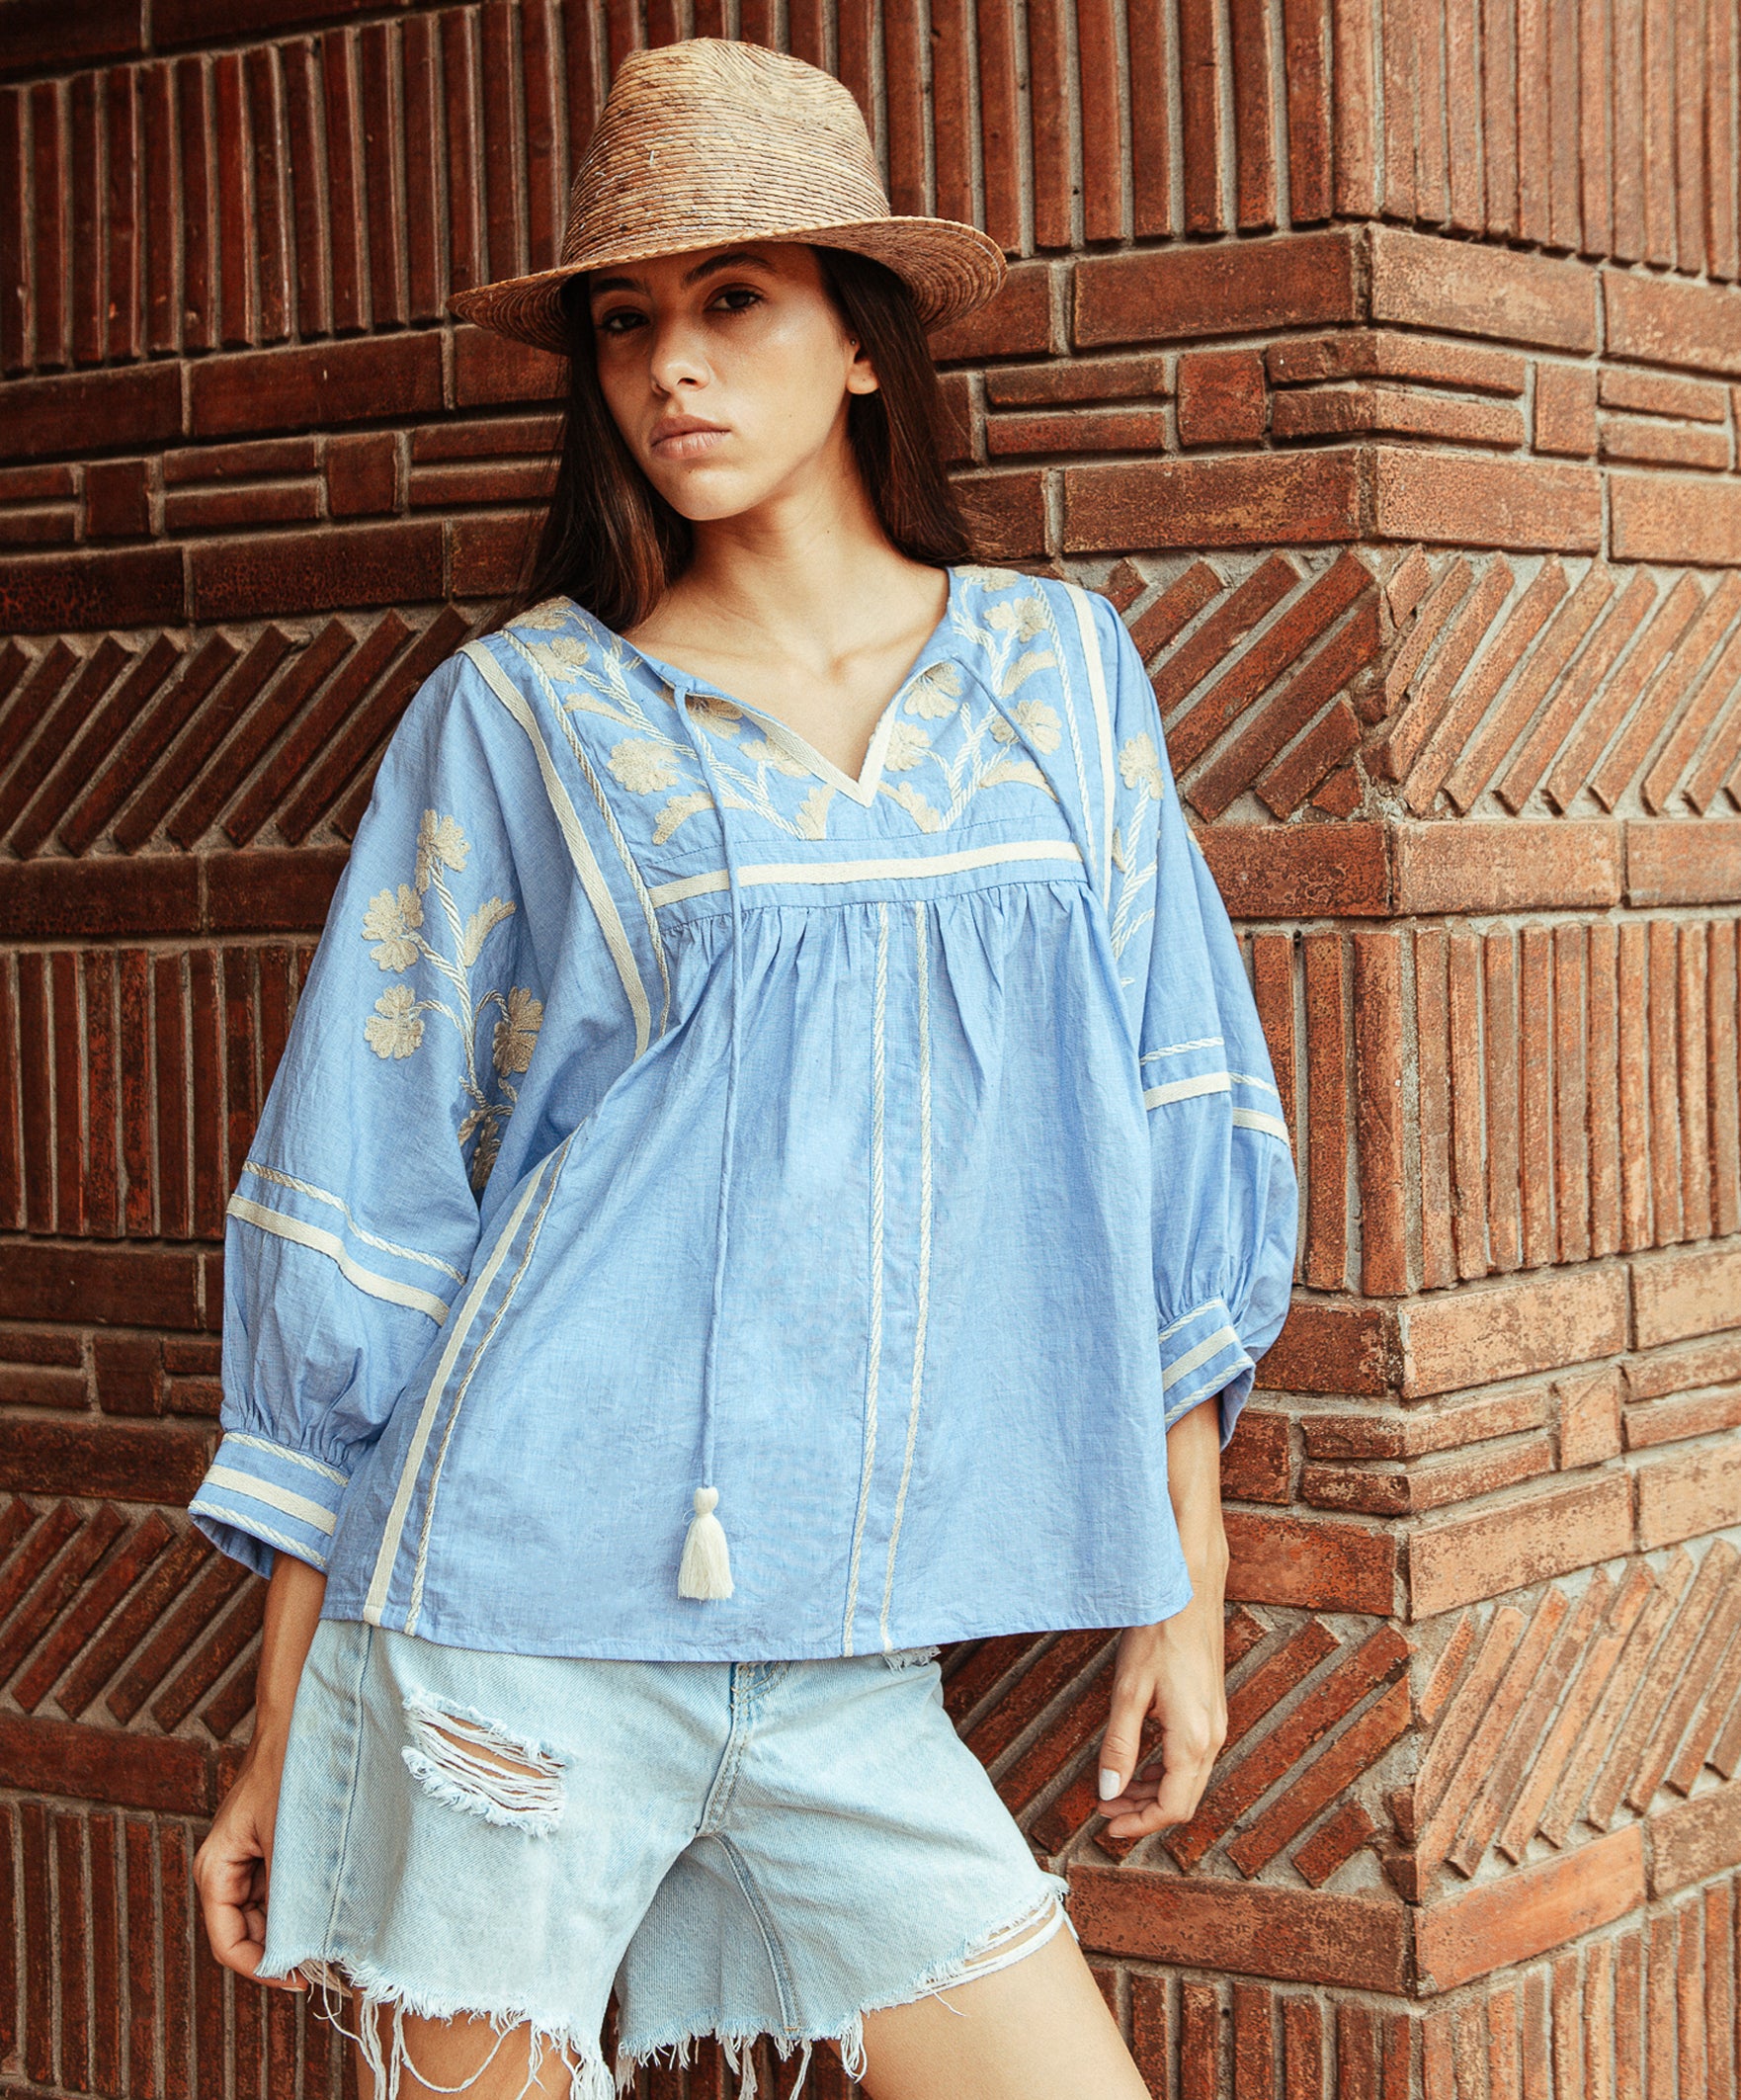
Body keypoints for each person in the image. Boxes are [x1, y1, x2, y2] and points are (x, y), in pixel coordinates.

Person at [188, 37, 1298, 2100]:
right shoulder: (519, 720)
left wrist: (1185, 1581)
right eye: (626, 323)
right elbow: (371, 1216)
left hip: (845, 1659)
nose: (669, 370)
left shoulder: (1061, 680)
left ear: (860, 343)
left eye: (731, 304)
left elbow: (1170, 1127)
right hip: (507, 1640)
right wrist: (282, 1735)